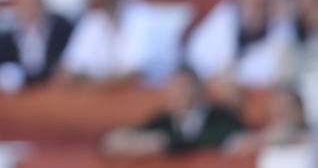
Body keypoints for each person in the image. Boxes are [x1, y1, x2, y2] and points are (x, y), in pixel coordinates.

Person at [100, 66, 244, 156]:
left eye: (183, 87)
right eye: (173, 88)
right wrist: (152, 143)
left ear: (199, 90)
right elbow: (113, 141)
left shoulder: (221, 118)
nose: (178, 94)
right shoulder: (163, 121)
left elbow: (241, 141)